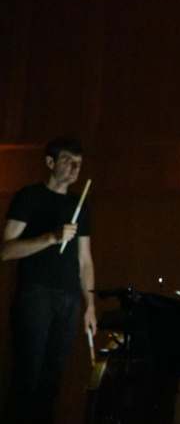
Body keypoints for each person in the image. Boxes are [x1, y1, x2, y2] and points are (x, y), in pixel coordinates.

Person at [1, 137, 97, 424]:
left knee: (52, 381)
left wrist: (90, 305)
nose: (74, 168)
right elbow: (5, 250)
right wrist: (51, 237)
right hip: (36, 295)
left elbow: (85, 260)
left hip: (68, 299)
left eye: (78, 163)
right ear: (50, 162)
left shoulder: (80, 204)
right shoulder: (29, 197)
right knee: (27, 377)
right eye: (68, 160)